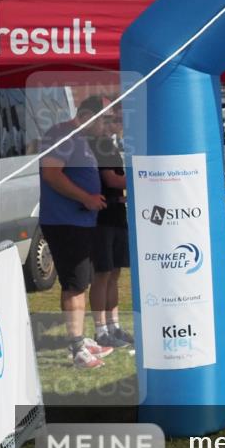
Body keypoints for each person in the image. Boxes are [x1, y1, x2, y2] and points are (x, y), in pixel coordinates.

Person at [39, 95, 113, 369]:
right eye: (104, 119)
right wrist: (86, 198)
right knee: (75, 285)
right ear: (84, 115)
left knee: (82, 282)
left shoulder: (79, 138)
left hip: (81, 223)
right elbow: (52, 174)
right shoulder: (61, 133)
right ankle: (77, 348)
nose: (107, 125)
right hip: (65, 223)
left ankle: (81, 340)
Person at [90, 109, 135, 351]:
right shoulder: (100, 145)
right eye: (113, 119)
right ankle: (101, 330)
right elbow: (112, 180)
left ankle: (113, 325)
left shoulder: (110, 145)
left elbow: (117, 184)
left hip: (116, 215)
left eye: (119, 119)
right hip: (102, 218)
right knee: (103, 274)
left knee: (115, 273)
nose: (119, 123)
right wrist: (142, 176)